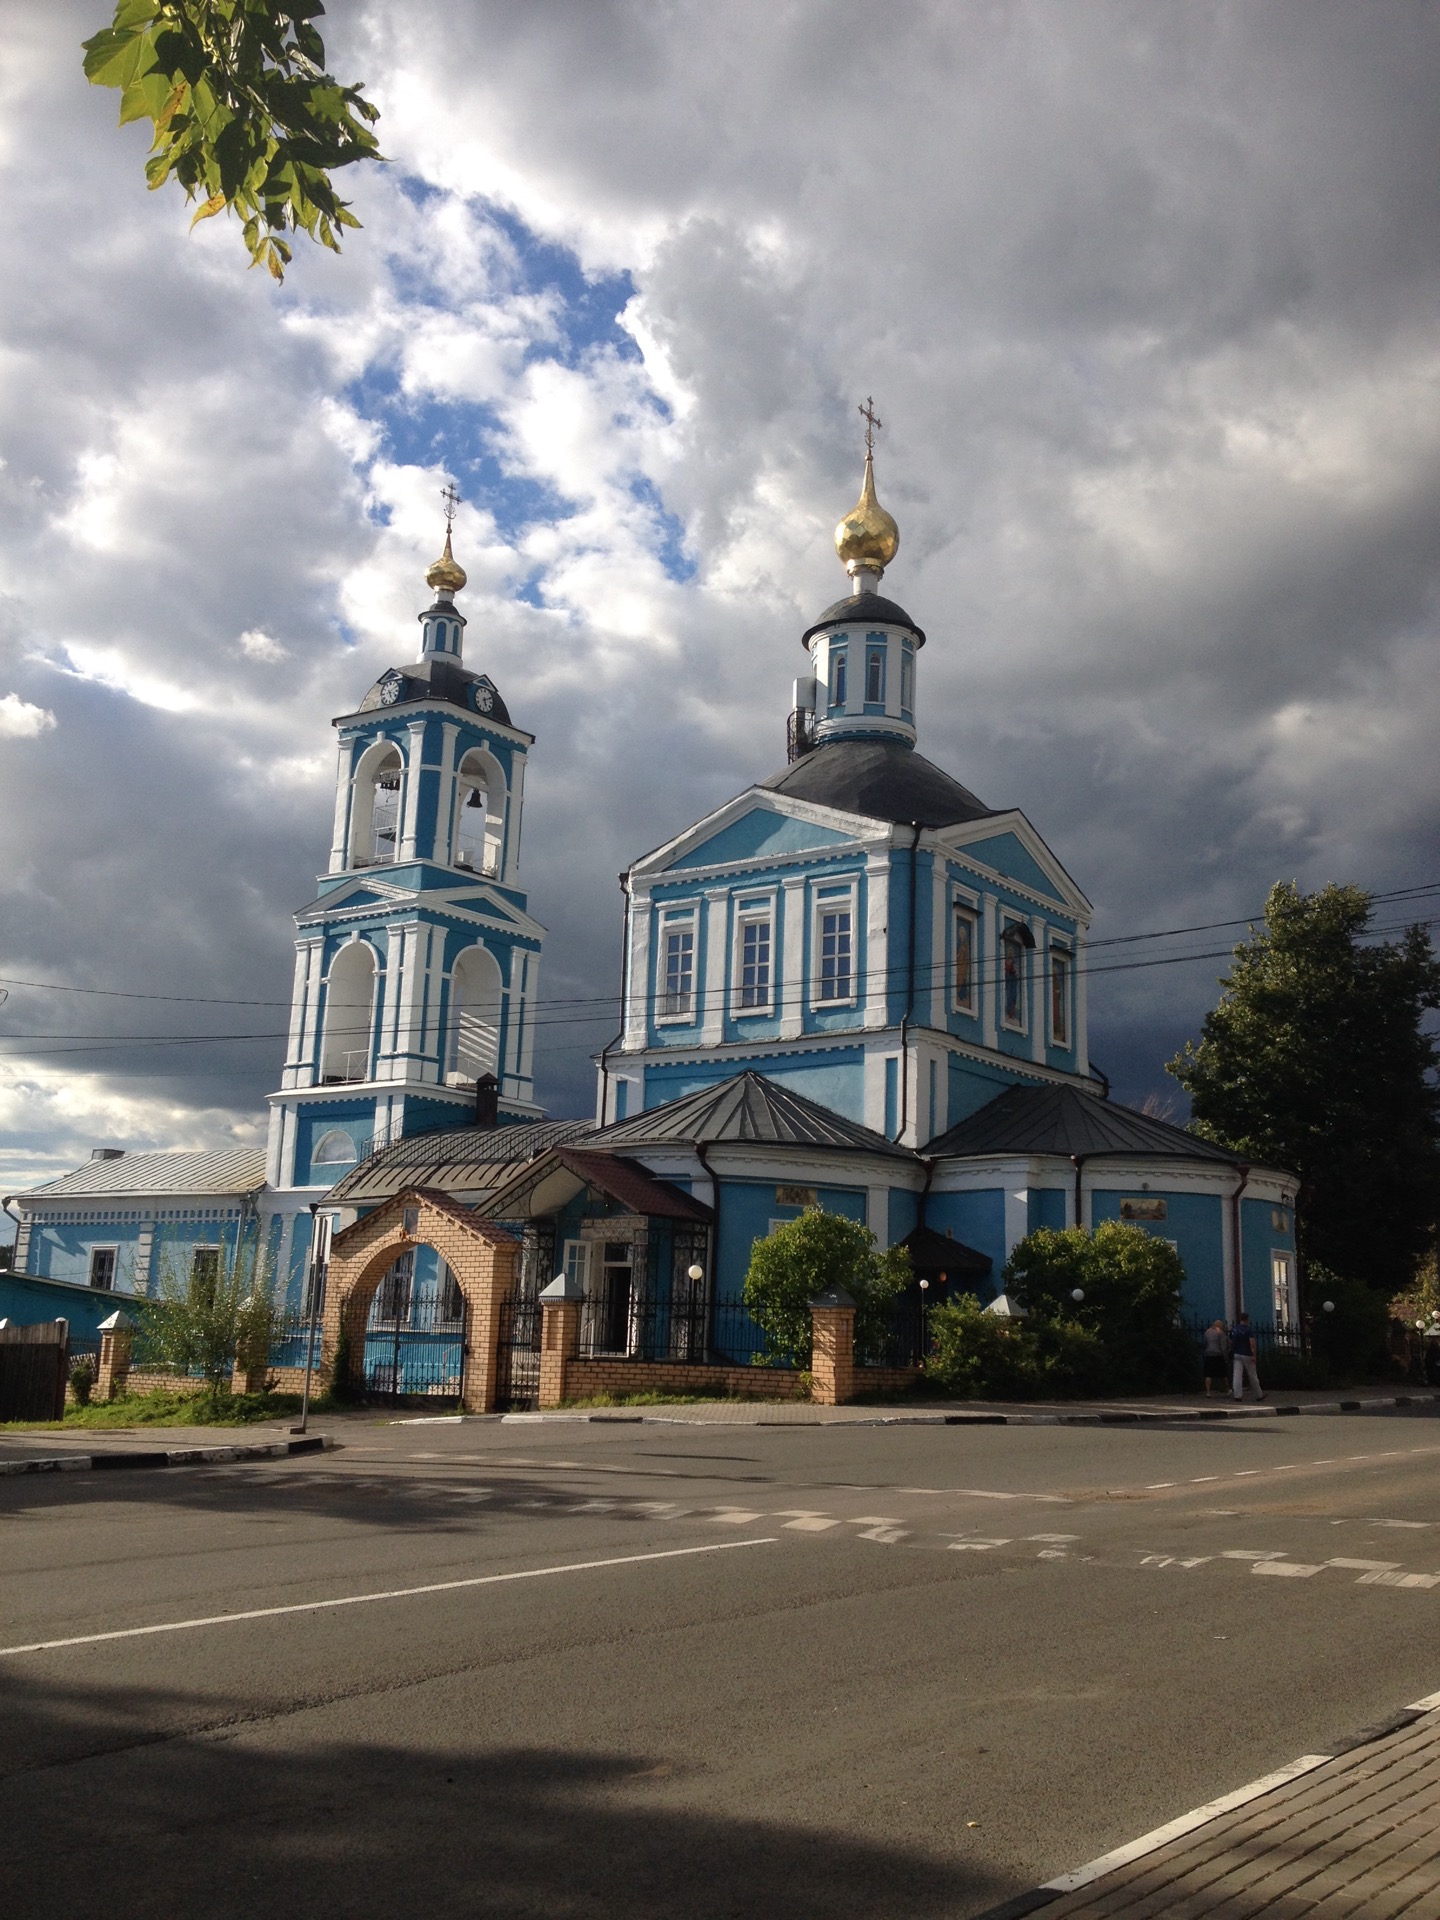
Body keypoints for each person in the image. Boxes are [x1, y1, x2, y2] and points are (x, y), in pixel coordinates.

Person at [1230, 1311, 1264, 1401]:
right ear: (1247, 1319)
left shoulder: (1234, 1329)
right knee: (1252, 1375)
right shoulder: (1248, 1330)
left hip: (1237, 1353)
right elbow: (1252, 1344)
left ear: (1240, 1319)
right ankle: (1259, 1394)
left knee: (1237, 1375)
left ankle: (1237, 1395)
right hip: (1247, 1354)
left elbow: (1231, 1342)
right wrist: (1254, 1355)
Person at [1201, 1319, 1230, 1397]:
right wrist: (1225, 1356)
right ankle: (1227, 1389)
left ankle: (1208, 1391)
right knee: (1223, 1374)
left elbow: (1206, 1343)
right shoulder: (1220, 1333)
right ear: (1219, 1325)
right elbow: (1223, 1346)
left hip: (1209, 1354)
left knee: (1208, 1374)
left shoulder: (1207, 1332)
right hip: (1218, 1355)